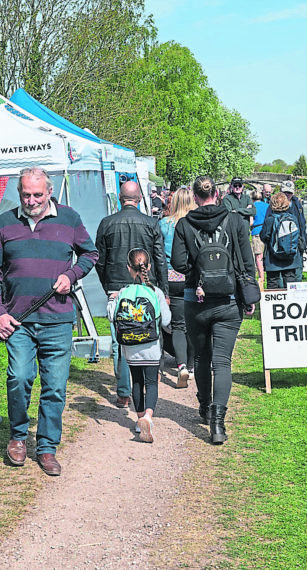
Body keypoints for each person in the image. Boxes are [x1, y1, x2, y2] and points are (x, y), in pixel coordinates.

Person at [0, 167, 98, 476]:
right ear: (18, 193)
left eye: (37, 194)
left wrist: (71, 274)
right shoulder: (5, 222)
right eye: (25, 194)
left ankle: (47, 447)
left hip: (57, 319)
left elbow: (90, 254)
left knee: (55, 387)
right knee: (19, 378)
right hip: (18, 320)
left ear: (49, 192)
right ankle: (19, 436)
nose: (31, 200)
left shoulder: (69, 218)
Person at [171, 175, 256, 445]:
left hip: (195, 300)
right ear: (217, 194)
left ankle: (205, 407)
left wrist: (198, 271)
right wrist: (248, 293)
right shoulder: (235, 221)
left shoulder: (184, 224)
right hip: (229, 301)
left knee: (202, 359)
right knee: (222, 362)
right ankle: (218, 424)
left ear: (194, 197)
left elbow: (177, 263)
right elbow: (246, 259)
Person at [95, 180, 168, 408]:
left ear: (119, 197)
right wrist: (162, 290)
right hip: (147, 286)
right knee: (150, 330)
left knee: (121, 338)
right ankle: (150, 377)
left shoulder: (107, 223)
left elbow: (99, 260)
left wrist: (107, 284)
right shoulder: (150, 223)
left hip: (116, 287)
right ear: (139, 199)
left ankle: (125, 391)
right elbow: (159, 259)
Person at [110, 248, 171, 443]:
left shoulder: (123, 292)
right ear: (149, 267)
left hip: (130, 347)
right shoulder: (156, 292)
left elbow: (112, 317)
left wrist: (112, 302)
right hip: (151, 345)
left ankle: (138, 421)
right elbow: (166, 321)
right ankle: (148, 417)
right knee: (151, 382)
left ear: (129, 268)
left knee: (136, 381)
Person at [159, 187, 196, 388]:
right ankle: (191, 365)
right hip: (190, 278)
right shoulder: (196, 225)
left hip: (170, 278)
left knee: (178, 326)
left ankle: (181, 364)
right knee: (192, 324)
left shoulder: (164, 224)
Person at [260, 190, 300, 289]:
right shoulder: (293, 218)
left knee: (273, 283)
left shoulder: (270, 219)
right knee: (291, 283)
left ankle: (273, 304)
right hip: (291, 257)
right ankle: (292, 302)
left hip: (273, 258)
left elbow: (263, 236)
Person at [280, 179, 307, 281]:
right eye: (285, 192)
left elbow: (303, 224)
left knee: (297, 274)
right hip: (282, 247)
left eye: (289, 192)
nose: (287, 195)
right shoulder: (274, 206)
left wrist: (304, 240)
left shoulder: (297, 204)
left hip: (298, 245)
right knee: (283, 277)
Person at [249, 189, 268, 285]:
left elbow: (251, 222)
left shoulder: (251, 207)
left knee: (258, 256)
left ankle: (261, 278)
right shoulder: (267, 205)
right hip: (267, 231)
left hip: (257, 232)